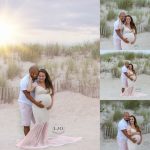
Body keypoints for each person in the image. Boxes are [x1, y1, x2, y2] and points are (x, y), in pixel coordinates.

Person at [17, 69, 81, 149]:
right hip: (37, 107)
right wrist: (30, 79)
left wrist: (51, 104)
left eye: (43, 76)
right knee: (39, 123)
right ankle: (30, 140)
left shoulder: (48, 84)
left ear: (46, 76)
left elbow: (52, 94)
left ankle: (42, 140)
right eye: (39, 76)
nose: (41, 77)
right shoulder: (35, 83)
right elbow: (29, 90)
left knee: (45, 123)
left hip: (46, 108)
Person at [18, 65, 44, 136]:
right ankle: (27, 142)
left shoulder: (36, 78)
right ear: (31, 73)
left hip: (33, 103)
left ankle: (38, 139)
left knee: (38, 121)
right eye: (35, 73)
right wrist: (36, 103)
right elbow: (27, 95)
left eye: (37, 73)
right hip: (25, 104)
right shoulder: (24, 81)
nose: (36, 75)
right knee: (26, 123)